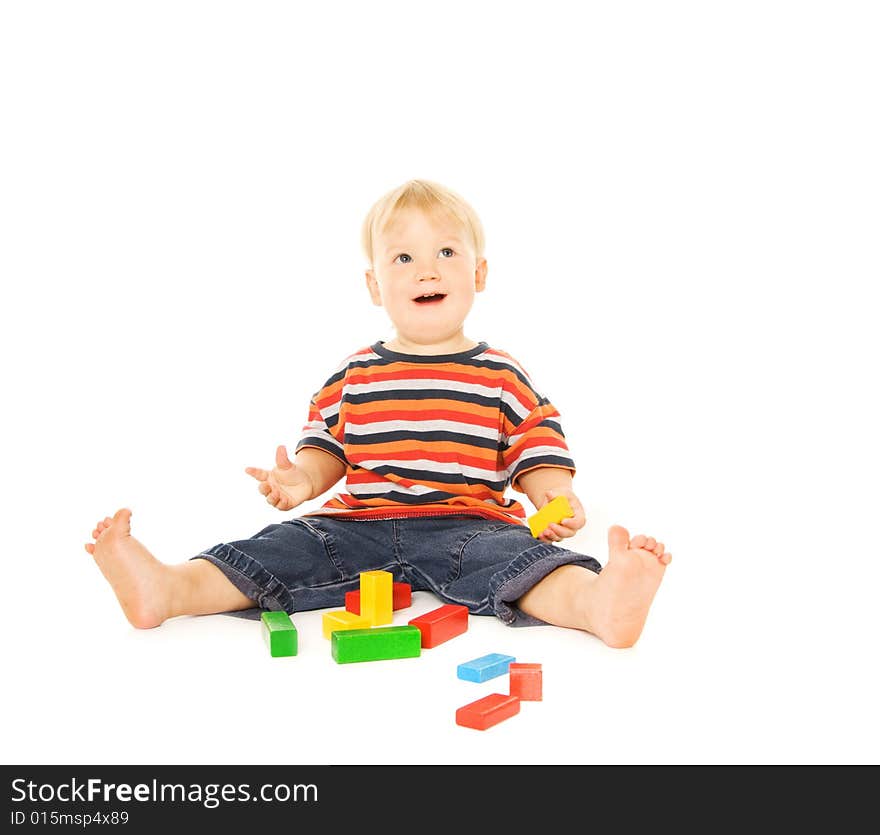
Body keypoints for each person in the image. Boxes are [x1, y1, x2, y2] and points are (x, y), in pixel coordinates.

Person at [85, 179, 671, 649]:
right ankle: (168, 587)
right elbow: (327, 448)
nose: (427, 269)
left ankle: (598, 602)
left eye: (447, 252)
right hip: (355, 525)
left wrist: (555, 493)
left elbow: (536, 441)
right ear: (374, 284)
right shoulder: (355, 374)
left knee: (522, 562)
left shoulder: (500, 374)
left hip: (468, 524)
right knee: (280, 549)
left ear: (479, 273)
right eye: (403, 257)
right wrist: (300, 482)